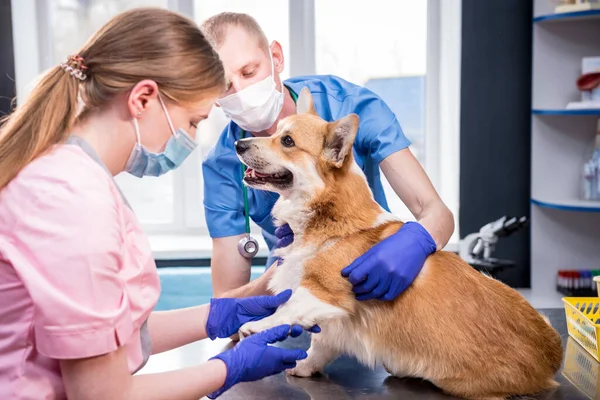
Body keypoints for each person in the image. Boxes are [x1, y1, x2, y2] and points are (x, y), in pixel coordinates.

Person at [0, 8, 312, 400]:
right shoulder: (71, 201)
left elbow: (110, 338)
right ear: (143, 98)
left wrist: (222, 312)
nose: (192, 137)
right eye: (194, 121)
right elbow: (104, 394)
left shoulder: (66, 175)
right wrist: (226, 368)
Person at [200, 12, 455, 301]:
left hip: (373, 262)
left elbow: (437, 213)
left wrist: (414, 243)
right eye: (225, 86)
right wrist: (289, 268)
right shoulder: (222, 165)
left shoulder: (347, 105)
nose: (243, 92)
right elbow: (227, 304)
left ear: (276, 57)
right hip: (291, 286)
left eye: (249, 72)